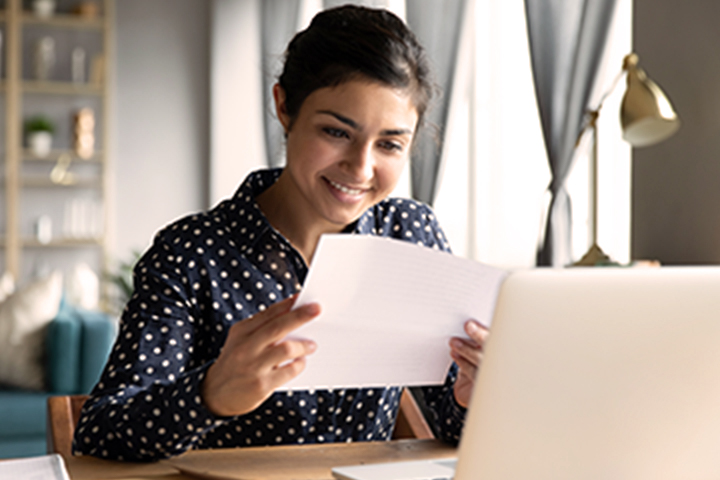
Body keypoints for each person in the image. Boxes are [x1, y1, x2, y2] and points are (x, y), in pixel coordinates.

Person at [73, 5, 488, 462]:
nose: (361, 167)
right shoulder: (190, 253)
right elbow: (99, 433)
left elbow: (450, 423)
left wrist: (476, 397)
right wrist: (207, 396)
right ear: (284, 107)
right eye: (336, 131)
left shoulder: (411, 234)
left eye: (389, 144)